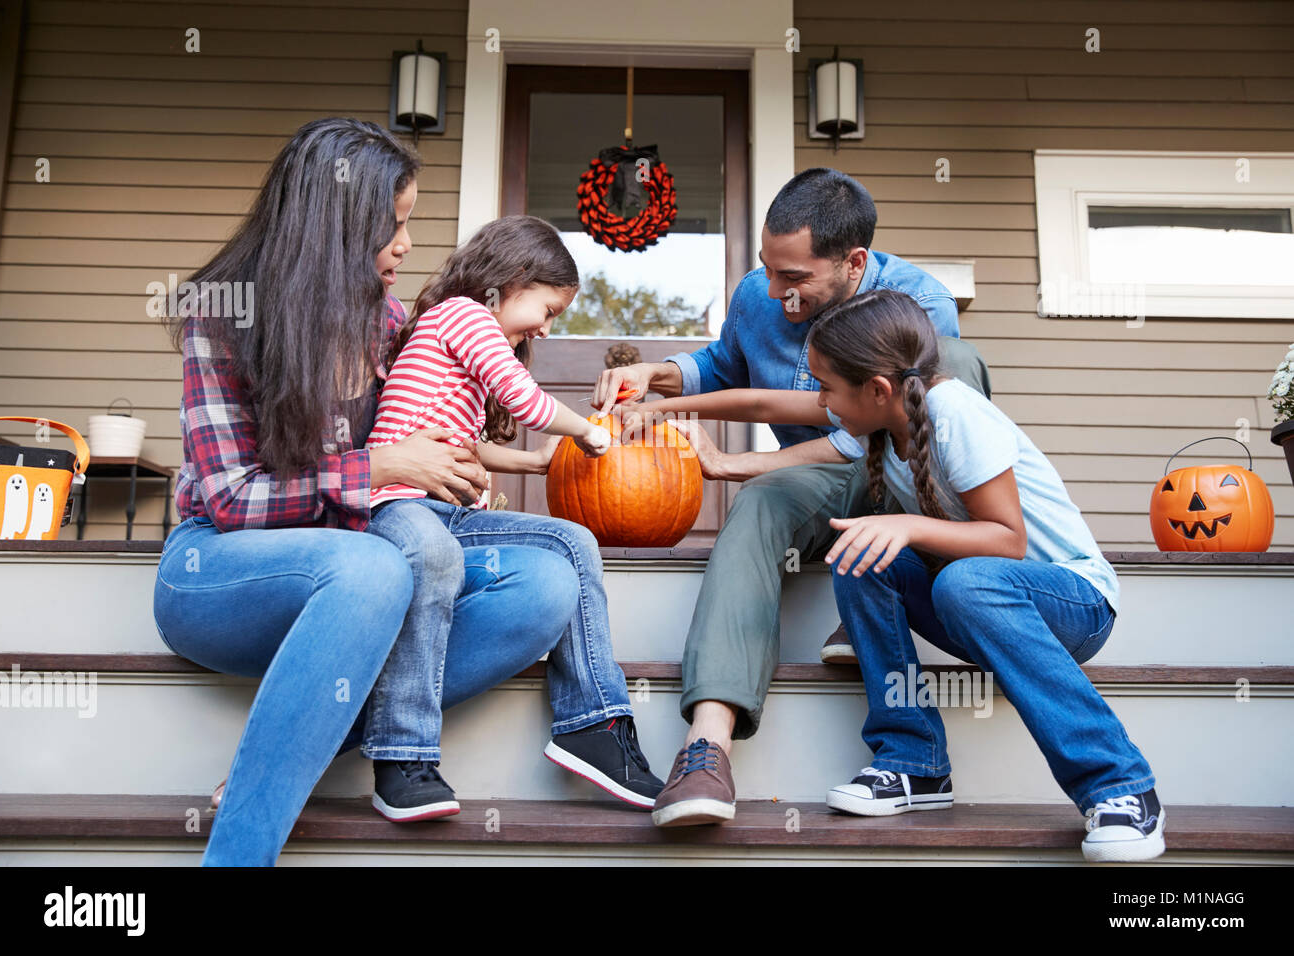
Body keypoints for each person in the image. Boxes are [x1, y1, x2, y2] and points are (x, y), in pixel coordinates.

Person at [153, 118, 588, 865]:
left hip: (370, 562)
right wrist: (383, 468)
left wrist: (459, 461)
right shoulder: (223, 316)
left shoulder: (392, 322)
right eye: (393, 226)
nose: (407, 246)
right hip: (226, 574)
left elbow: (438, 425)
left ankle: (314, 738)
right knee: (372, 568)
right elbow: (233, 502)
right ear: (334, 227)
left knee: (547, 582)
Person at [643, 287, 1167, 863]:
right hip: (978, 603)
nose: (820, 401)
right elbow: (774, 416)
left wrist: (908, 527)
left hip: (1073, 603)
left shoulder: (955, 413)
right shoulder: (879, 423)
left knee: (958, 580)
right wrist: (716, 459)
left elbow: (1008, 541)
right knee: (863, 555)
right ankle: (913, 762)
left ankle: (1119, 786)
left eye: (826, 388)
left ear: (877, 390)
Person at [593, 168, 992, 826]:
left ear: (854, 262)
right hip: (817, 483)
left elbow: (858, 436)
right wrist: (654, 375)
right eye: (768, 271)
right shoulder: (761, 293)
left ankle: (895, 582)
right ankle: (706, 748)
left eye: (796, 278)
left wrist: (738, 463)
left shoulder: (917, 303)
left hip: (897, 477)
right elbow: (725, 366)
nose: (775, 292)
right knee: (762, 500)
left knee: (957, 359)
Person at [354, 215, 664, 819]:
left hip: (446, 509)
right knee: (433, 556)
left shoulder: (464, 336)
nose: (545, 330)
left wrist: (537, 459)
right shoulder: (464, 314)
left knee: (572, 541)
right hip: (394, 505)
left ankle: (594, 723)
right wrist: (586, 432)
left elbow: (473, 448)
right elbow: (521, 397)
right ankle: (403, 757)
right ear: (513, 279)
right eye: (547, 310)